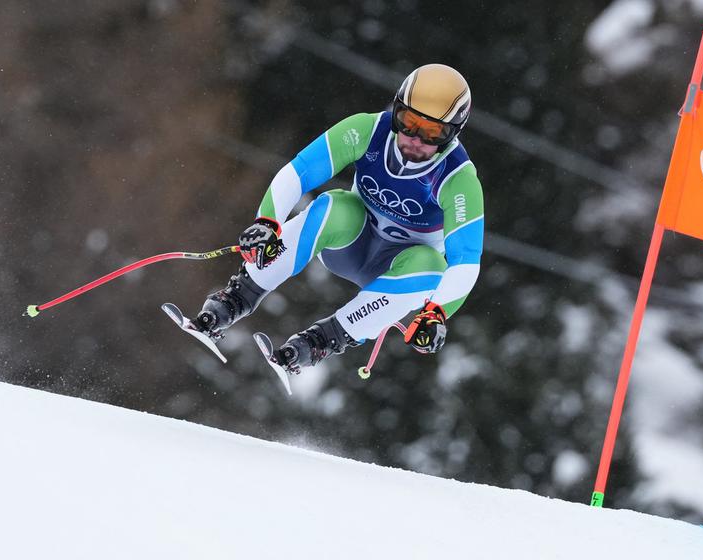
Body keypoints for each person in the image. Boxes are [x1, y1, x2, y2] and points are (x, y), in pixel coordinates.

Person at [191, 63, 484, 374]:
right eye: (408, 122)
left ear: (453, 135)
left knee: (433, 266)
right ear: (396, 109)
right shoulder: (367, 130)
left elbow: (465, 260)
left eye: (432, 133)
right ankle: (235, 299)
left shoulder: (458, 179)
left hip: (397, 274)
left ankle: (319, 341)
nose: (415, 139)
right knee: (336, 206)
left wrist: (436, 313)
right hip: (349, 244)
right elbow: (298, 172)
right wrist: (267, 222)